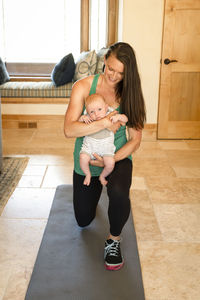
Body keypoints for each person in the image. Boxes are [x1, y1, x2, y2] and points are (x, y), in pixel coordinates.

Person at [64, 42, 146, 271]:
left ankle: (114, 240)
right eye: (111, 69)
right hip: (88, 158)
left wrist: (112, 159)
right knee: (83, 220)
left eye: (121, 73)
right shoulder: (83, 87)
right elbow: (69, 130)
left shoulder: (131, 92)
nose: (114, 76)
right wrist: (102, 122)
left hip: (115, 156)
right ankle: (97, 187)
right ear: (105, 61)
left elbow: (135, 140)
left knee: (119, 192)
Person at [79, 93, 128, 186]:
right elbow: (79, 121)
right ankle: (87, 174)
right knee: (83, 158)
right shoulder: (88, 117)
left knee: (110, 163)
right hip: (90, 146)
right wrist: (83, 118)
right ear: (88, 112)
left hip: (106, 147)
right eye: (92, 112)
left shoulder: (111, 114)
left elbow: (125, 119)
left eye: (99, 109)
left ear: (106, 107)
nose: (96, 114)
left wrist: (119, 117)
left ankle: (102, 176)